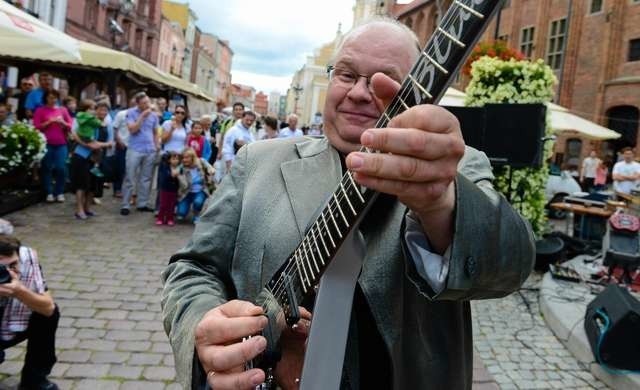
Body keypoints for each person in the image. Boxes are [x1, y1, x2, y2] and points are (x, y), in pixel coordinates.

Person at [161, 18, 534, 390]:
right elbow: (194, 268)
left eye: (383, 81)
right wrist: (201, 325)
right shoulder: (258, 161)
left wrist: (442, 205)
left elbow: (509, 266)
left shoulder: (455, 167)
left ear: (421, 95)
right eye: (346, 74)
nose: (358, 92)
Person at [0, 231, 60, 390]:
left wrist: (20, 291)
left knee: (48, 314)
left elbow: (48, 308)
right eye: (1, 268)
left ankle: (35, 380)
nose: (10, 274)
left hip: (10, 324)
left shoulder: (26, 260)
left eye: (13, 265)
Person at [69, 100, 113, 220]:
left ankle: (87, 208)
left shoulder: (100, 123)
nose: (95, 111)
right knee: (81, 184)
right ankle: (79, 210)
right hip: (82, 155)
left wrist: (100, 145)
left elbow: (108, 141)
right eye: (93, 108)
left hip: (97, 158)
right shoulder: (79, 120)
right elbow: (75, 135)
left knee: (93, 184)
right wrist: (88, 144)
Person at [120, 92, 159, 215]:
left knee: (146, 178)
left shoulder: (154, 116)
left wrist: (156, 145)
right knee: (130, 177)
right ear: (137, 104)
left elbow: (155, 131)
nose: (147, 105)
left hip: (149, 150)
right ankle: (125, 204)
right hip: (135, 149)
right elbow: (132, 129)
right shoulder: (130, 113)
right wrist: (142, 116)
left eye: (148, 102)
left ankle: (142, 203)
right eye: (144, 103)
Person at [32, 89, 72, 203]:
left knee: (61, 168)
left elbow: (70, 125)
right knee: (47, 168)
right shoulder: (40, 110)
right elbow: (36, 127)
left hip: (61, 143)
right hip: (46, 143)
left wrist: (63, 123)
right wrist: (49, 122)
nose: (52, 99)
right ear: (46, 98)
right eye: (50, 97)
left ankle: (59, 192)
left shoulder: (63, 110)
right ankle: (49, 192)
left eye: (54, 97)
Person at [176, 148, 214, 224]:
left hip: (200, 191)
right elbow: (175, 172)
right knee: (181, 213)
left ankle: (196, 214)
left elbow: (211, 169)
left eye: (187, 158)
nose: (184, 160)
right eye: (183, 158)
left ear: (192, 157)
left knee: (198, 202)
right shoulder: (181, 167)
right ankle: (183, 210)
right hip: (186, 192)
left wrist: (211, 171)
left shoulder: (201, 161)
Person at [111, 98, 135, 198]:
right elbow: (115, 128)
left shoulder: (140, 116)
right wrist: (118, 140)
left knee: (130, 169)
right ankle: (117, 189)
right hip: (122, 144)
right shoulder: (122, 114)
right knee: (119, 168)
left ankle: (128, 190)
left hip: (133, 146)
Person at [74, 101, 105, 178]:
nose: (94, 111)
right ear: (86, 109)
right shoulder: (91, 118)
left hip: (82, 139)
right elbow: (98, 124)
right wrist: (102, 123)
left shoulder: (79, 116)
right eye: (92, 109)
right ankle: (96, 166)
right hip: (85, 142)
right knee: (99, 151)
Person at [156, 152, 181, 226]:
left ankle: (169, 219)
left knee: (172, 205)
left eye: (177, 159)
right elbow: (165, 177)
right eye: (173, 159)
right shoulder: (165, 167)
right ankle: (160, 218)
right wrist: (172, 175)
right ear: (169, 160)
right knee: (163, 204)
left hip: (174, 190)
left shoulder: (180, 168)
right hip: (165, 189)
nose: (175, 160)